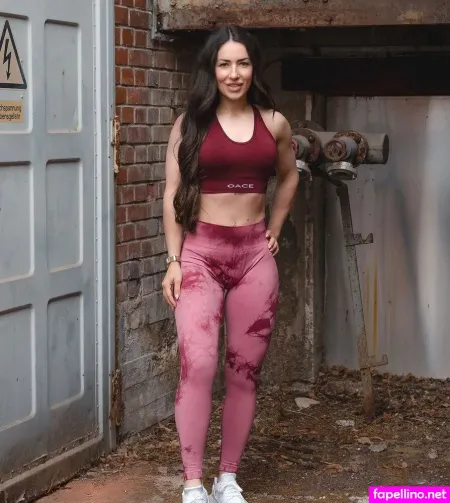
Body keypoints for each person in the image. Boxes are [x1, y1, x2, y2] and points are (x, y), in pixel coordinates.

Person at [162, 25, 299, 503]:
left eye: (242, 63)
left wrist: (275, 227)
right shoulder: (190, 124)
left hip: (254, 258)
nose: (234, 73)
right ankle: (193, 483)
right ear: (212, 69)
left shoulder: (274, 123)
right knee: (198, 365)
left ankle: (227, 479)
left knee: (244, 372)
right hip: (200, 255)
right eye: (224, 64)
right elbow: (172, 193)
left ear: (253, 68)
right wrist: (173, 259)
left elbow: (289, 176)